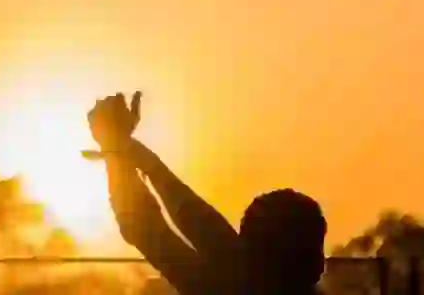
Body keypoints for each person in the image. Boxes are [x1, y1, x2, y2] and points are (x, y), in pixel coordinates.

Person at [85, 92, 327, 295]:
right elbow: (201, 224)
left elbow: (147, 228)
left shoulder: (224, 287)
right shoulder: (260, 277)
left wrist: (116, 148)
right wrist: (125, 149)